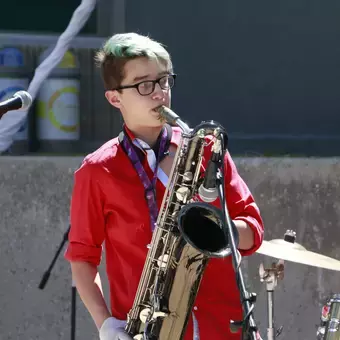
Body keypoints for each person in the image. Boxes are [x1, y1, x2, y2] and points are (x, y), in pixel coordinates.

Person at [64, 32, 264, 340]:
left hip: (224, 326)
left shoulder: (206, 150)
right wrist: (105, 324)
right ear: (115, 97)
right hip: (151, 330)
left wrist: (215, 231)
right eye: (144, 84)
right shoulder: (97, 170)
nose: (160, 94)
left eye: (164, 81)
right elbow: (82, 258)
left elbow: (253, 231)